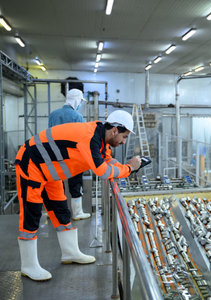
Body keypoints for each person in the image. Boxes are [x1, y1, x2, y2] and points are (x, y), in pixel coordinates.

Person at [15, 110, 141, 281]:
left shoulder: (101, 140)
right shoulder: (89, 138)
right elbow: (102, 170)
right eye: (124, 137)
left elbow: (106, 160)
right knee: (32, 213)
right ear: (114, 131)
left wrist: (125, 165)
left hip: (50, 171)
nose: (123, 142)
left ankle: (70, 253)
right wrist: (129, 169)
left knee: (60, 209)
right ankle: (28, 266)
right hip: (31, 165)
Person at [48, 78, 88, 220]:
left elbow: (49, 135)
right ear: (77, 101)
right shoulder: (78, 116)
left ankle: (55, 212)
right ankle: (77, 213)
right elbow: (82, 139)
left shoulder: (53, 114)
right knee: (75, 183)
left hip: (54, 155)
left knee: (56, 184)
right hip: (73, 157)